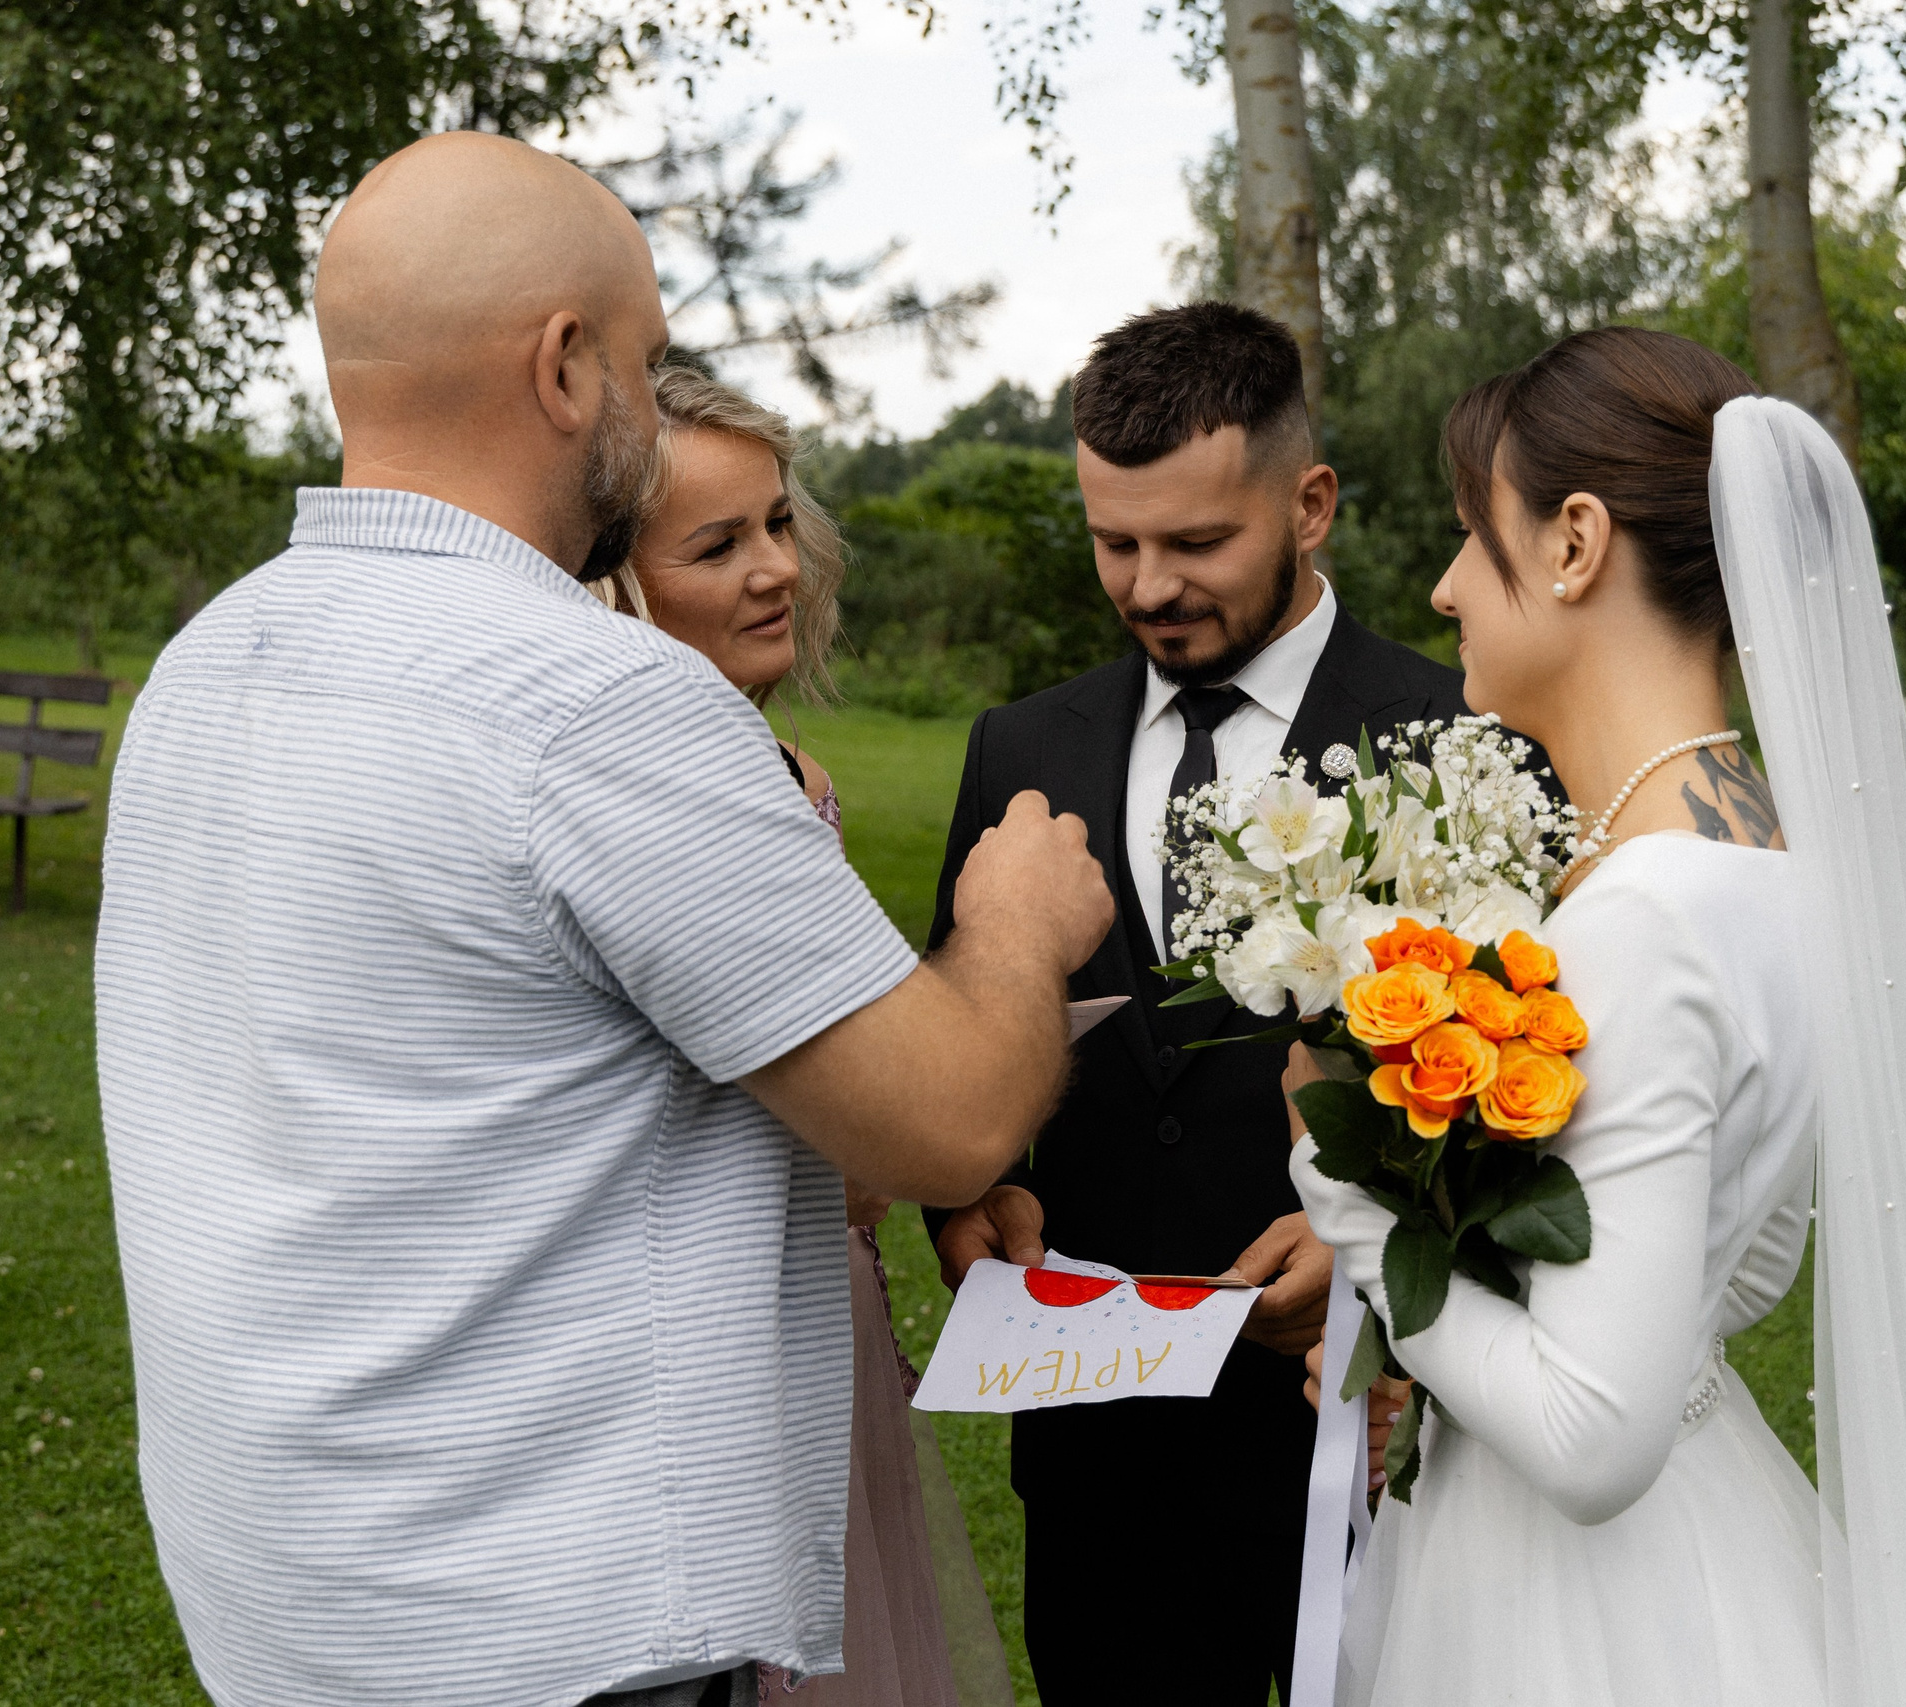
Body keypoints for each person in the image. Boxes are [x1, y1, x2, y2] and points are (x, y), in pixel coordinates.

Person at [93, 133, 1112, 1707]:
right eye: (646, 356)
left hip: (295, 1596)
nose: (650, 395)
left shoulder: (212, 661)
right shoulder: (591, 701)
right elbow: (954, 1116)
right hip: (547, 1623)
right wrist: (1016, 923)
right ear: (567, 368)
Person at [1286, 328, 1906, 1706]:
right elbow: (1734, 1276)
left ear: (1575, 543)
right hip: (1712, 1538)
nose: (1450, 588)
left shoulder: (1641, 920)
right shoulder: (1785, 871)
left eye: (1475, 532)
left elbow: (1589, 1437)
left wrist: (1344, 1192)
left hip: (1577, 1617)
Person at [925, 302, 1481, 1705]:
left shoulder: (1458, 739)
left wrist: (1375, 1237)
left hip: (1350, 1426)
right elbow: (965, 1023)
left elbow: (1528, 1086)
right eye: (1116, 542)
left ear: (1310, 506)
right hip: (1093, 1441)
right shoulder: (1020, 747)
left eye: (1196, 544)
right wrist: (973, 1188)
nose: (1148, 585)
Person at [587, 365, 996, 1707]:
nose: (776, 572)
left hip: (831, 1305)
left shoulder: (792, 774)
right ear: (618, 586)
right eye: (717, 544)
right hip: (724, 1337)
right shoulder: (649, 790)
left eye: (778, 524)